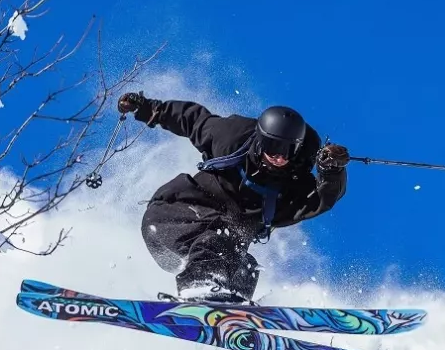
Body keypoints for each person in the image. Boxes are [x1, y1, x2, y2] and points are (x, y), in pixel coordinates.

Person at [117, 91, 350, 304]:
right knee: (219, 241)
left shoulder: (294, 185)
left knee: (244, 267)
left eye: (287, 150)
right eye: (272, 146)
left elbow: (322, 199)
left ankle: (228, 316)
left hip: (212, 249)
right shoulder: (233, 137)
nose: (279, 157)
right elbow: (193, 120)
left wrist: (332, 172)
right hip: (171, 219)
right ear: (261, 139)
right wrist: (147, 108)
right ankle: (201, 287)